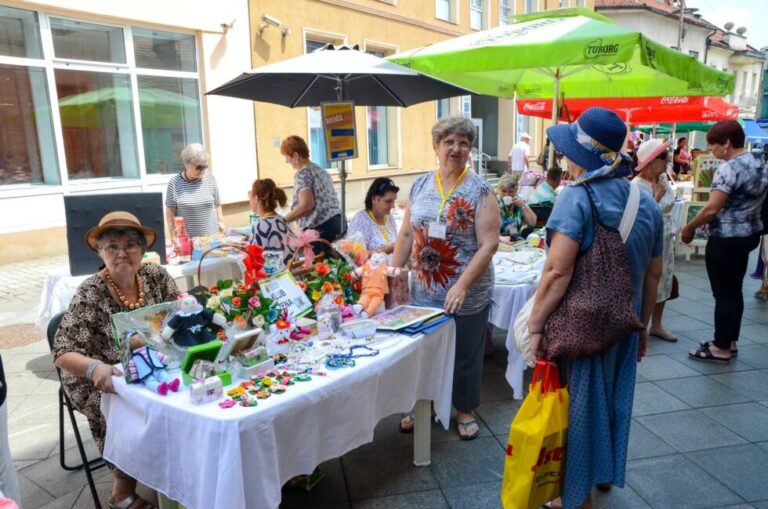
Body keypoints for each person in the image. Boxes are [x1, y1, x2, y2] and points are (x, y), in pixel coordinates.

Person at [527, 107, 664, 509]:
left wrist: (535, 325)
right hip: (624, 323)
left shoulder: (576, 196)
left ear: (579, 154)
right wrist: (643, 324)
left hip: (583, 327)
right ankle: (602, 473)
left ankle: (575, 497)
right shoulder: (646, 201)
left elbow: (556, 271)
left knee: (580, 409)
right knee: (612, 402)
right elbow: (654, 274)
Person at [53, 211, 179, 509]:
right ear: (101, 252)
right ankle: (121, 494)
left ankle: (171, 474)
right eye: (112, 247)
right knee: (125, 405)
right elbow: (62, 352)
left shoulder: (156, 276)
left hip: (152, 363)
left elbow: (179, 310)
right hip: (97, 374)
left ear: (142, 251)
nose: (122, 253)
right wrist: (95, 367)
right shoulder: (91, 293)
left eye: (131, 245)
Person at [393, 117, 499, 440]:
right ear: (436, 146)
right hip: (423, 292)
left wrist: (462, 284)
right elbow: (407, 233)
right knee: (422, 350)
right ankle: (420, 404)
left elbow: (489, 244)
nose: (456, 148)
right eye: (449, 142)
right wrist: (393, 273)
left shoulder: (481, 192)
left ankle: (464, 408)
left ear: (470, 149)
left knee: (465, 352)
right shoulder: (421, 185)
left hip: (466, 292)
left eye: (464, 143)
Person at [683, 120, 768, 363]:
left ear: (727, 143)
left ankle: (720, 347)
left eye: (714, 146)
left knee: (723, 294)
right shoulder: (759, 162)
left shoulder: (729, 168)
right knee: (734, 290)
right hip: (749, 234)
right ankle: (729, 340)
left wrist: (690, 227)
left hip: (726, 237)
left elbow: (712, 208)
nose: (712, 152)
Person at [633, 138, 678, 342]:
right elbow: (642, 217)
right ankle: (640, 323)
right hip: (647, 243)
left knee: (665, 281)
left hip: (666, 238)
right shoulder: (636, 186)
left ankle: (657, 325)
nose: (667, 160)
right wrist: (656, 197)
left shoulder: (663, 180)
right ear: (650, 161)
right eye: (663, 157)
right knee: (647, 282)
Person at [281, 135, 344, 242]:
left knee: (318, 259)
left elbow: (306, 206)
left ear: (296, 155)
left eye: (287, 157)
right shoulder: (320, 170)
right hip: (339, 222)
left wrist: (284, 220)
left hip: (321, 228)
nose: (287, 161)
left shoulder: (302, 174)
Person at [165, 143, 225, 245]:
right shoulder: (175, 183)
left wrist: (221, 223)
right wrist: (173, 234)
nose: (202, 170)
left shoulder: (209, 178)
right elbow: (170, 211)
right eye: (199, 167)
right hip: (188, 243)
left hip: (213, 240)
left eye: (205, 166)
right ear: (187, 164)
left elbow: (217, 204)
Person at [247, 178, 295, 265]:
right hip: (293, 274)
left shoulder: (260, 225)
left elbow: (254, 261)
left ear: (256, 198)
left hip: (279, 276)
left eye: (250, 195)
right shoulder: (282, 220)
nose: (249, 199)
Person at [348, 177, 400, 254]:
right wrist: (387, 250)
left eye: (394, 201)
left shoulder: (389, 218)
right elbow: (354, 255)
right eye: (388, 201)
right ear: (375, 199)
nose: (393, 206)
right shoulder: (361, 220)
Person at [497, 174, 536, 239]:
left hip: (515, 240)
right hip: (500, 241)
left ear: (516, 191)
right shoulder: (495, 203)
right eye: (503, 191)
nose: (506, 194)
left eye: (510, 192)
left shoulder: (518, 201)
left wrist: (523, 205)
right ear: (499, 190)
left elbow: (532, 223)